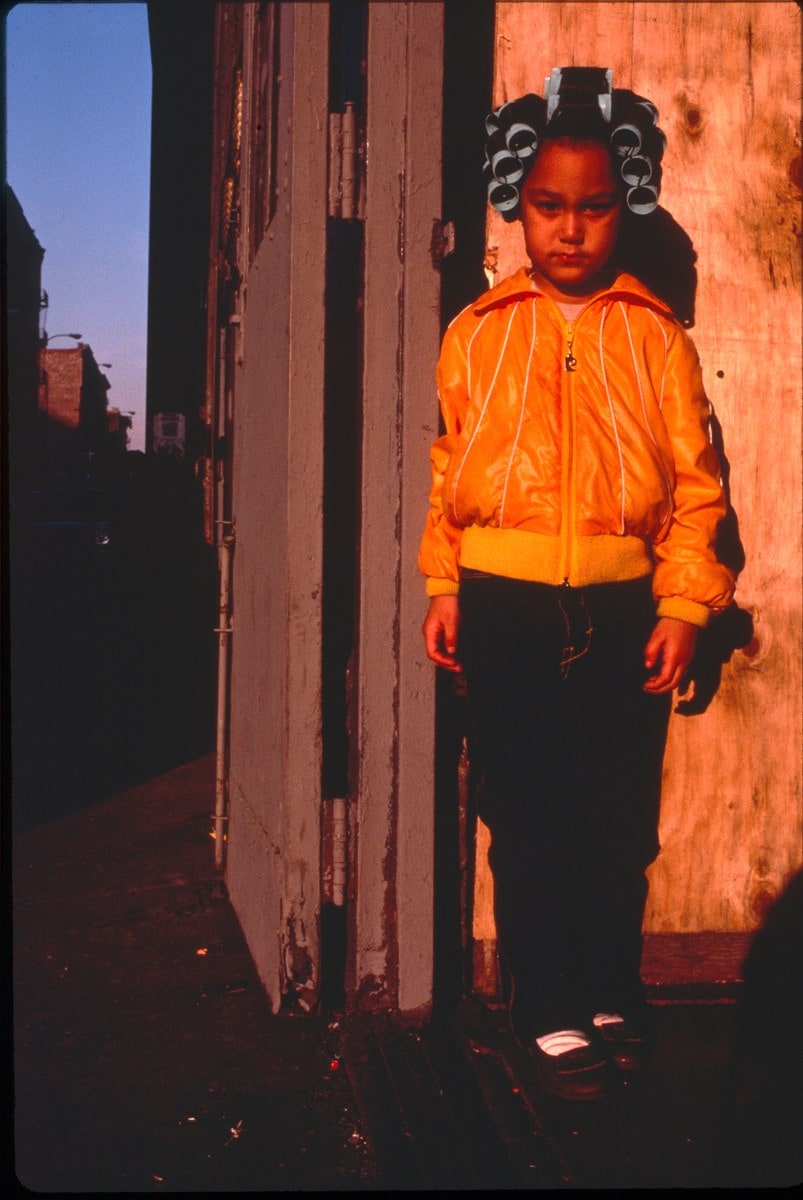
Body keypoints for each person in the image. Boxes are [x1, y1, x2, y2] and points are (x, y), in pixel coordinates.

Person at [419, 67, 736, 1102]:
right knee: (525, 813)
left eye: (592, 209)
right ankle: (544, 1004)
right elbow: (447, 475)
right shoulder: (475, 333)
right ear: (516, 205)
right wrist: (443, 586)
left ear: (621, 207)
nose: (568, 231)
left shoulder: (653, 336)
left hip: (618, 611)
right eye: (547, 208)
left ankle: (608, 990)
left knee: (612, 819)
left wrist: (685, 604)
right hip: (502, 609)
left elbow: (697, 489)